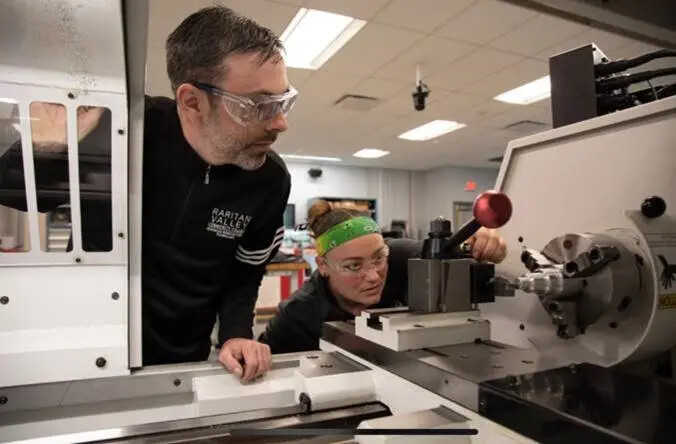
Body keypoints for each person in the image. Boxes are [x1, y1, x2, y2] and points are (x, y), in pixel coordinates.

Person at [0, 7, 296, 382]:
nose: (281, 122)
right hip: (92, 344)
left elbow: (244, 272)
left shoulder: (269, 179)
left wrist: (236, 334)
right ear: (191, 101)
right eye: (259, 106)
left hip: (186, 353)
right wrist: (45, 148)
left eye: (283, 101)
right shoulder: (121, 132)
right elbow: (17, 196)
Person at [259, 201, 507, 354]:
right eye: (354, 266)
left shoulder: (400, 256)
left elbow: (449, 255)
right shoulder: (298, 314)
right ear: (323, 265)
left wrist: (485, 243)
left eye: (378, 258)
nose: (374, 275)